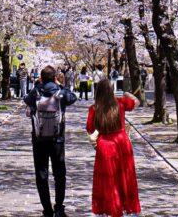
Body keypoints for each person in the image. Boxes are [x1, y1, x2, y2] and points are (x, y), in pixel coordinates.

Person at [25, 65, 77, 217]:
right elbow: (73, 97)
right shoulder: (60, 92)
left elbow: (26, 100)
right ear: (54, 78)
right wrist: (60, 85)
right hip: (57, 139)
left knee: (42, 174)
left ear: (41, 78)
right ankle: (59, 208)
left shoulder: (35, 92)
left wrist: (37, 86)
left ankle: (47, 209)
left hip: (39, 139)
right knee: (60, 173)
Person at [86, 78, 141, 217]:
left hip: (105, 144)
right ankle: (126, 206)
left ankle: (111, 208)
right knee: (125, 175)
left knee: (108, 179)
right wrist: (128, 94)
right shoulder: (120, 103)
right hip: (122, 142)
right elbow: (137, 103)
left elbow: (90, 128)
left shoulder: (94, 108)